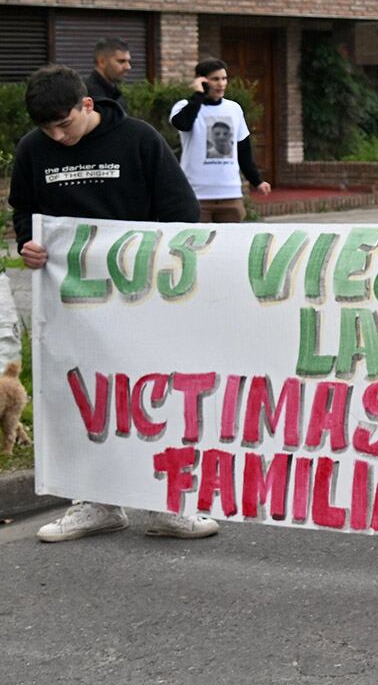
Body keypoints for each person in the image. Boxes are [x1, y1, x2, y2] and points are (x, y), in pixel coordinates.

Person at [9, 66, 219, 542]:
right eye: (47, 130)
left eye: (64, 124)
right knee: (83, 395)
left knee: (151, 393)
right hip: (73, 301)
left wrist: (174, 270)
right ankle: (96, 501)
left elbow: (180, 210)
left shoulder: (139, 140)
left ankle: (167, 503)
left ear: (87, 105)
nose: (57, 137)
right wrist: (28, 242)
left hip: (141, 295)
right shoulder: (32, 150)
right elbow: (24, 209)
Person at [169, 57, 269, 222]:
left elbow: (243, 151)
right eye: (215, 79)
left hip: (230, 195)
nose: (221, 84)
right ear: (202, 81)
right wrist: (198, 95)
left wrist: (257, 181)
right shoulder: (184, 106)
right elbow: (183, 124)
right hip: (196, 195)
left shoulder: (234, 109)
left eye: (224, 79)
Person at [86, 37, 131, 107]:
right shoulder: (88, 96)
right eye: (121, 61)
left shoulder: (116, 94)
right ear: (102, 62)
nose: (128, 67)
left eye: (128, 61)